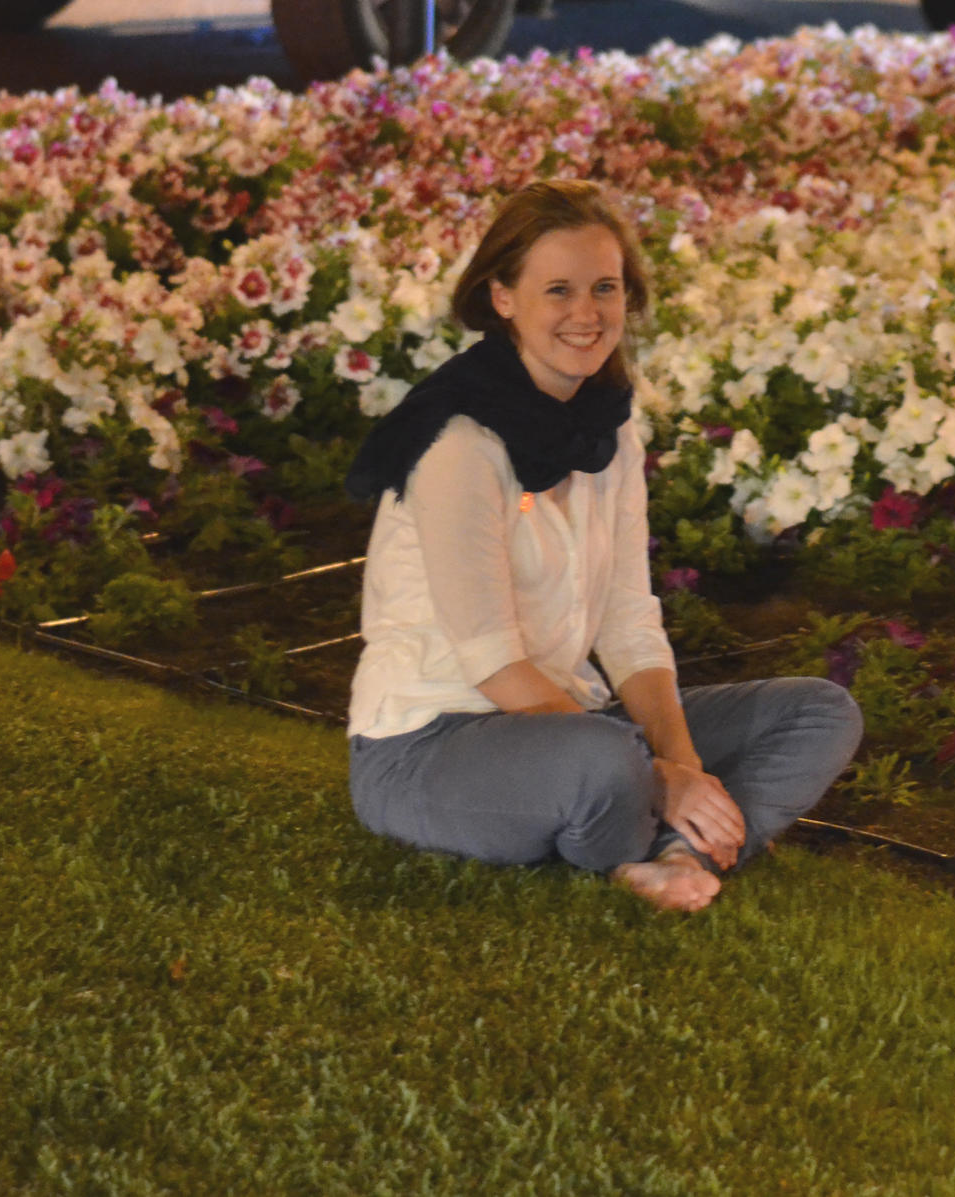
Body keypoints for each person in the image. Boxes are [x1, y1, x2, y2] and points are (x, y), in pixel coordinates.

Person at [343, 179, 863, 912]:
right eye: (558, 289)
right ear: (502, 297)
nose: (586, 314)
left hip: (572, 719)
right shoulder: (457, 443)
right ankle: (655, 830)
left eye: (605, 288)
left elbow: (627, 621)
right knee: (606, 760)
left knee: (819, 712)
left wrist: (679, 761)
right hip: (429, 743)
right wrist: (657, 773)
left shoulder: (608, 430)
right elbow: (490, 661)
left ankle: (680, 846)